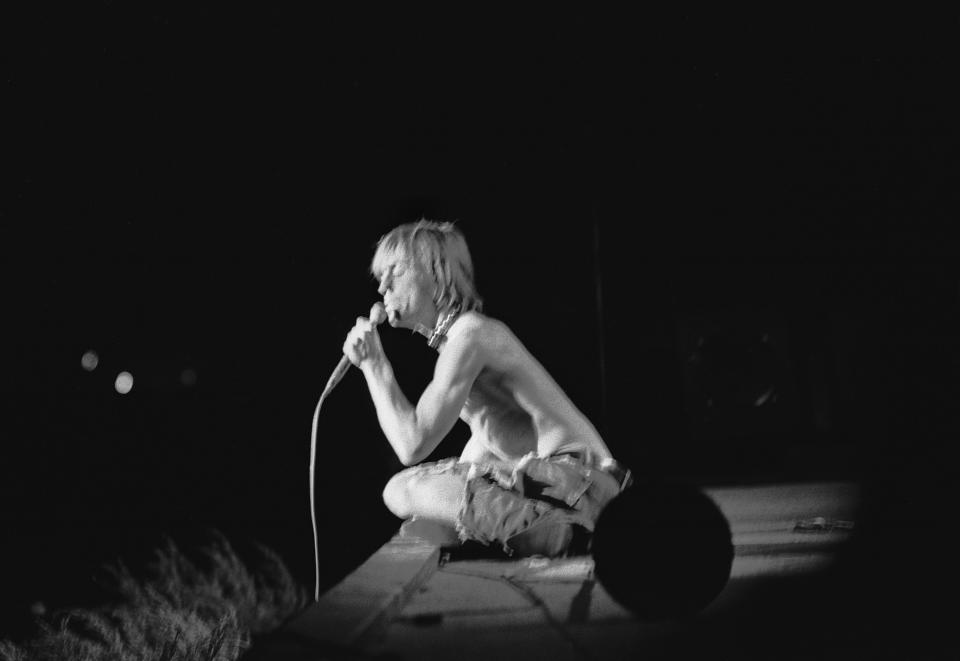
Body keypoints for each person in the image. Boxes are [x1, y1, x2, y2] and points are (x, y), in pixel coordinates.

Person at [342, 219, 631, 557]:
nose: (383, 288)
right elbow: (488, 440)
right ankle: (536, 529)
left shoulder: (470, 338)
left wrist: (375, 367)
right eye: (380, 277)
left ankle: (543, 533)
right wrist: (449, 501)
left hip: (582, 485)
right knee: (419, 489)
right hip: (581, 488)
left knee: (399, 488)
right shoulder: (463, 340)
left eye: (395, 272)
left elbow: (412, 444)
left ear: (436, 273)